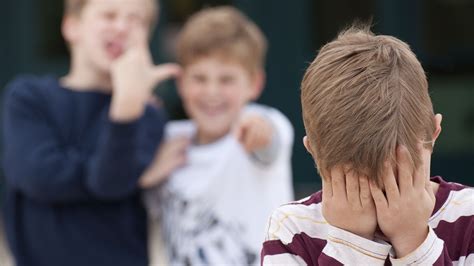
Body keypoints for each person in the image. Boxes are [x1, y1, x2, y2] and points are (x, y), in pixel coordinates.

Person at [261, 26, 474, 265]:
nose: (388, 204)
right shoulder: (292, 229)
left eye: (399, 178)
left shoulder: (469, 217)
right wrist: (353, 243)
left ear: (433, 134)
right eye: (363, 183)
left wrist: (414, 241)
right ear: (313, 151)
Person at [2, 0, 180, 265]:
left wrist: (126, 104)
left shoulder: (145, 114)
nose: (122, 27)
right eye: (109, 15)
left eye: (136, 20)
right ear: (72, 27)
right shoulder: (29, 98)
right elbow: (37, 176)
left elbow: (110, 181)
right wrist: (136, 178)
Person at [140, 6, 294, 265]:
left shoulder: (261, 121)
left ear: (254, 84)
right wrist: (148, 173)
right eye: (199, 78)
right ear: (181, 83)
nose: (212, 92)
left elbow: (270, 140)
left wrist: (259, 131)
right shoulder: (169, 140)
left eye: (226, 80)